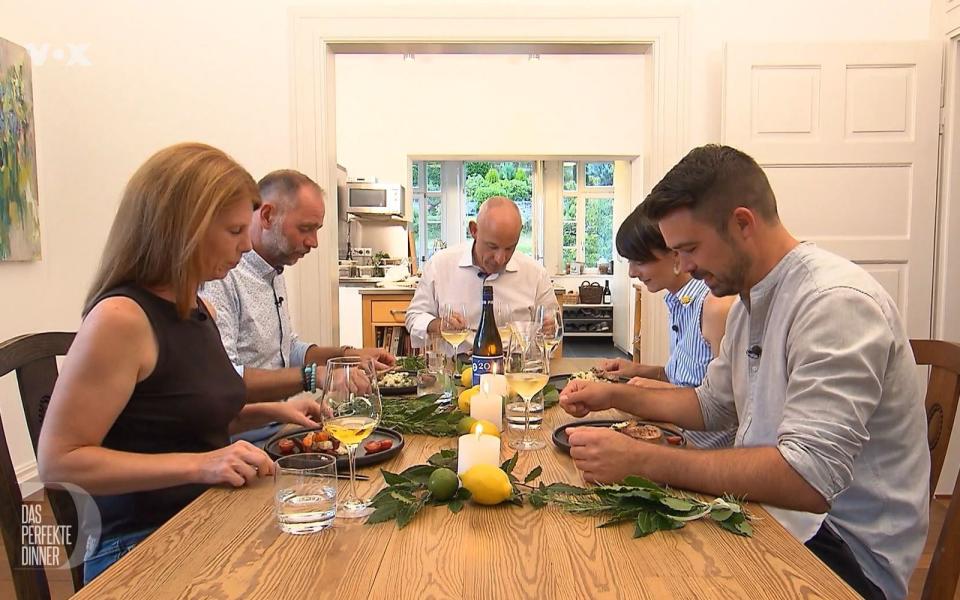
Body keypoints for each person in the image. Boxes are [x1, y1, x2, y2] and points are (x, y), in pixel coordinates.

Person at [559, 144, 928, 600]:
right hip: (770, 519)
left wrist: (646, 462)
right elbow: (711, 405)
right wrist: (613, 395)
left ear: (743, 223)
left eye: (690, 249)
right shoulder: (748, 304)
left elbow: (808, 477)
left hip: (841, 555)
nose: (686, 267)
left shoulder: (835, 303)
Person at [37, 143, 326, 583]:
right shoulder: (121, 319)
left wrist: (267, 411)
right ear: (182, 229)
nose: (246, 244)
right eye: (233, 232)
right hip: (141, 541)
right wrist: (202, 464)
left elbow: (177, 419)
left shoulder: (197, 309)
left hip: (205, 510)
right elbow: (59, 462)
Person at [201, 169, 395, 441]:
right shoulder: (221, 278)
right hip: (243, 443)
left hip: (281, 425)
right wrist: (317, 376)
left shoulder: (272, 269)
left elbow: (288, 348)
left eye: (316, 230)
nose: (313, 242)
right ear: (267, 216)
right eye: (305, 229)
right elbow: (228, 378)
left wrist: (349, 354)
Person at [598, 207, 735, 448]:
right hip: (674, 436)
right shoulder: (679, 302)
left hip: (703, 456)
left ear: (675, 254)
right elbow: (687, 378)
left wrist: (655, 393)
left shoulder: (715, 308)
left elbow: (728, 407)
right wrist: (638, 370)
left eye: (639, 261)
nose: (631, 273)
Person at [405, 196, 559, 350]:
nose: (500, 259)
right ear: (474, 230)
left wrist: (550, 329)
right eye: (492, 247)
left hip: (513, 370)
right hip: (457, 369)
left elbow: (553, 329)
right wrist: (437, 325)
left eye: (509, 248)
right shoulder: (440, 265)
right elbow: (414, 316)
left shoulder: (535, 274)